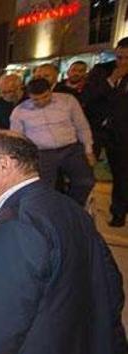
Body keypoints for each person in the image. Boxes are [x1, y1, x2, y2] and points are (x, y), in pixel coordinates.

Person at [0, 129, 128, 354]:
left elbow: (7, 315)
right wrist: (116, 341)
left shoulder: (16, 223)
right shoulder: (68, 208)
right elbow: (108, 280)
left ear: (5, 165)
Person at [10, 77, 96, 205]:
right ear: (29, 96)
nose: (41, 102)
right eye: (36, 99)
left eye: (45, 97)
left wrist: (88, 150)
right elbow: (17, 139)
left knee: (86, 181)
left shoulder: (68, 101)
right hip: (42, 153)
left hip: (70, 149)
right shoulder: (20, 111)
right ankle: (53, 214)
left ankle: (72, 208)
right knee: (44, 189)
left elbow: (81, 126)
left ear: (50, 90)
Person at [82, 36, 128, 226]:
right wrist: (112, 80)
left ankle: (118, 213)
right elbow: (89, 97)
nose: (123, 62)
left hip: (122, 133)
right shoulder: (101, 71)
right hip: (97, 131)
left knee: (122, 175)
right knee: (84, 172)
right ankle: (81, 210)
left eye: (127, 58)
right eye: (119, 57)